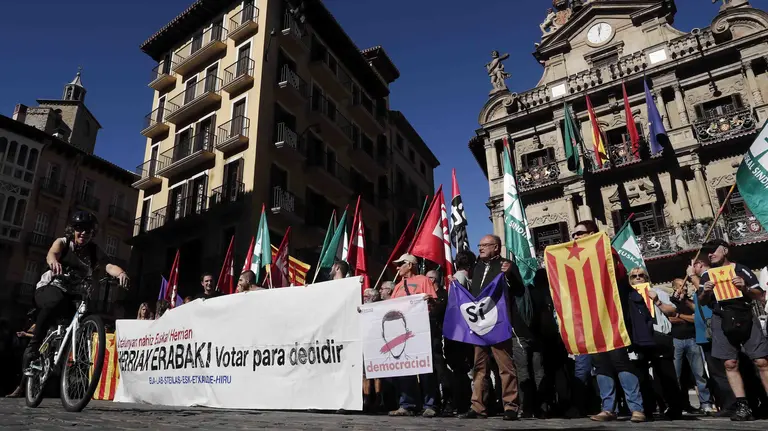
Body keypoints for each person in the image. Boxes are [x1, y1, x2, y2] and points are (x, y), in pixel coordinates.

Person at [25, 211, 129, 364]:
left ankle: (66, 360)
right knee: (55, 300)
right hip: (49, 287)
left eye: (88, 230)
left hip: (72, 295)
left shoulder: (94, 251)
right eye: (80, 228)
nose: (84, 233)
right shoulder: (64, 242)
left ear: (92, 233)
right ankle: (33, 347)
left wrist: (121, 273)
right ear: (73, 229)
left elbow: (108, 265)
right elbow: (52, 253)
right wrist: (54, 261)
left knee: (84, 317)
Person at [566, 221, 644, 424]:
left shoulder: (607, 251)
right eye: (573, 234)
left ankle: (637, 408)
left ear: (592, 233)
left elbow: (618, 274)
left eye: (579, 233)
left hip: (611, 317)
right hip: (590, 319)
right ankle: (608, 408)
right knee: (600, 365)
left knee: (620, 362)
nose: (575, 237)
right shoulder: (575, 258)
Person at [698, 239, 768, 421]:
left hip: (745, 315)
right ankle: (742, 406)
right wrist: (705, 292)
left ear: (726, 251)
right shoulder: (706, 275)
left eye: (714, 250)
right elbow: (702, 301)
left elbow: (760, 295)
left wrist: (744, 287)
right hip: (721, 318)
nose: (710, 254)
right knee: (730, 363)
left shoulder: (741, 269)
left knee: (761, 361)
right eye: (708, 252)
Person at [461, 234, 521, 421]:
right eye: (480, 245)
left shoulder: (506, 265)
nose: (480, 248)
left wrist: (509, 274)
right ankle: (477, 407)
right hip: (480, 324)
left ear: (496, 247)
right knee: (480, 367)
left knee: (505, 366)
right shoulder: (477, 268)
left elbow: (519, 290)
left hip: (498, 323)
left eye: (485, 245)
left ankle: (510, 406)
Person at [628, 267, 684, 420]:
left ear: (646, 278)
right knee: (641, 375)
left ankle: (674, 407)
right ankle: (646, 408)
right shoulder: (627, 296)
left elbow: (672, 311)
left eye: (641, 275)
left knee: (666, 374)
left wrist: (657, 301)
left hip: (659, 335)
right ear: (630, 280)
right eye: (634, 276)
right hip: (638, 339)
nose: (638, 278)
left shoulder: (659, 293)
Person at [387, 253, 439, 418]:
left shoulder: (424, 280)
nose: (397, 267)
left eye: (400, 264)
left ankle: (430, 404)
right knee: (404, 367)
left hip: (421, 329)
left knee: (425, 367)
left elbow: (434, 301)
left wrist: (428, 299)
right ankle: (407, 404)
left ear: (409, 265)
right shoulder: (397, 286)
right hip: (402, 331)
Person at [689, 256, 736, 415]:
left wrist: (692, 276)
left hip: (715, 331)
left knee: (722, 369)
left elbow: (706, 295)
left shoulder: (708, 276)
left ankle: (732, 404)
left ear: (699, 264)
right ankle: (725, 403)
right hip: (704, 334)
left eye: (692, 265)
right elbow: (699, 306)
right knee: (715, 371)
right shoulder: (701, 280)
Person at [670, 278, 716, 414]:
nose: (683, 288)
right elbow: (670, 318)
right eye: (680, 286)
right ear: (674, 288)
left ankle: (706, 403)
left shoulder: (690, 301)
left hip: (692, 339)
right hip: (676, 340)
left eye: (684, 286)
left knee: (699, 373)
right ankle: (679, 404)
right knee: (677, 375)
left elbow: (695, 316)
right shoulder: (670, 301)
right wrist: (685, 317)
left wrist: (679, 315)